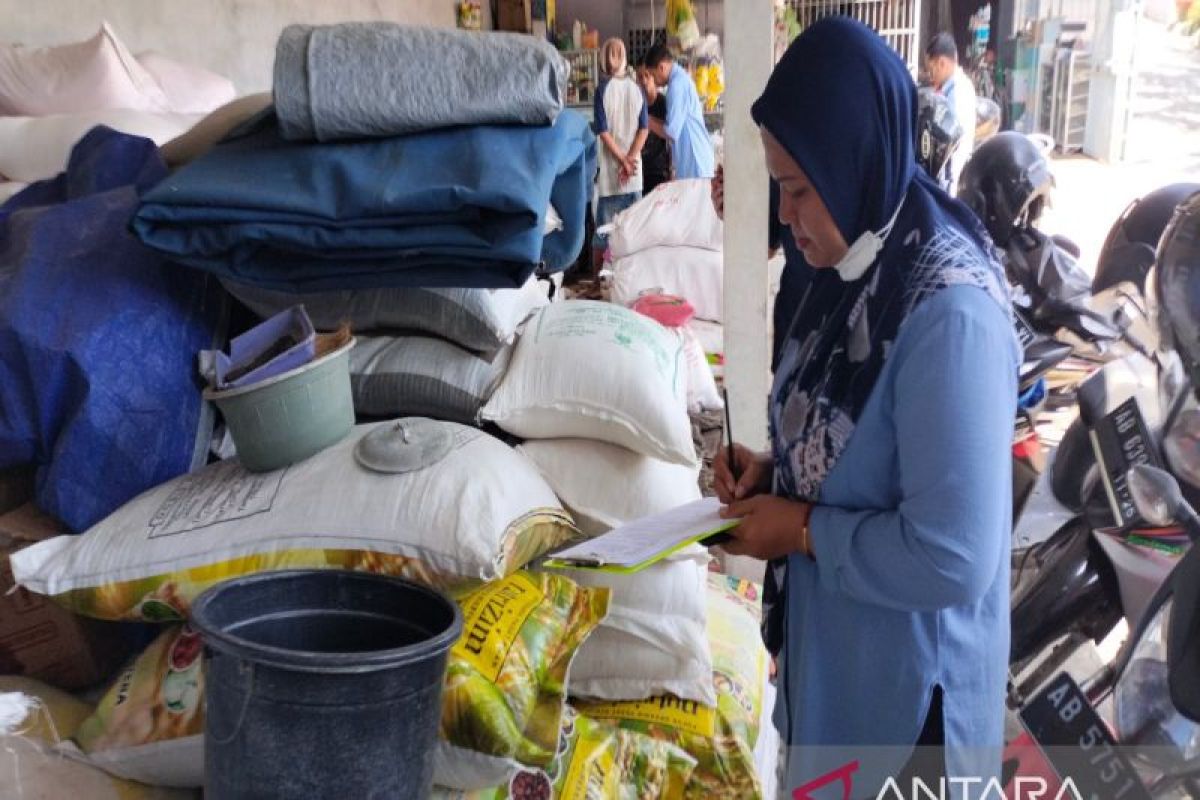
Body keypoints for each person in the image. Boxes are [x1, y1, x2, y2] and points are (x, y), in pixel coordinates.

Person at [712, 17, 1016, 796]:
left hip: (909, 714)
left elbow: (955, 553)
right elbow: (857, 443)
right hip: (838, 678)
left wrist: (803, 528)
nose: (787, 216)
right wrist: (775, 475)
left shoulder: (948, 312)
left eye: (799, 190)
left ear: (854, 161)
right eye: (781, 188)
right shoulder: (836, 274)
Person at [593, 38, 648, 246]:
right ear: (625, 59)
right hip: (633, 175)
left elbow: (603, 132)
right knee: (633, 235)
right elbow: (644, 129)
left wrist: (622, 161)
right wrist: (630, 160)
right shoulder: (637, 89)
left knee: (603, 236)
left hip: (610, 177)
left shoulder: (602, 90)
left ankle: (600, 279)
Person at [644, 44, 715, 180]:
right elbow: (671, 124)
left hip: (695, 161)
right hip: (693, 160)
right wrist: (651, 120)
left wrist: (648, 121)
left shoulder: (677, 85)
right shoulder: (679, 80)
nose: (653, 80)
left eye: (652, 75)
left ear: (662, 67)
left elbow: (671, 131)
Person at [925, 32, 976, 193]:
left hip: (951, 175)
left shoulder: (957, 91)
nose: (930, 76)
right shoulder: (953, 87)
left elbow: (949, 136)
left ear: (941, 63)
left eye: (931, 69)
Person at [636, 62, 672, 195]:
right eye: (640, 77)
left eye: (647, 76)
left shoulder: (664, 103)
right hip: (639, 171)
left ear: (654, 77)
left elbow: (671, 137)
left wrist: (671, 170)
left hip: (659, 171)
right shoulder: (636, 103)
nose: (644, 81)